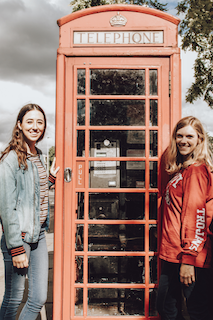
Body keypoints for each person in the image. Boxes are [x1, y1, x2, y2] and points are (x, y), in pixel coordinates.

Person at [0, 104, 59, 320]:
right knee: (14, 298)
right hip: (20, 237)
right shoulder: (11, 159)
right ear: (19, 124)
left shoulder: (37, 154)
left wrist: (50, 179)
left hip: (39, 235)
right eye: (30, 122)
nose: (35, 127)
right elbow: (6, 206)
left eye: (40, 122)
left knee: (38, 298)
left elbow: (33, 192)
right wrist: (16, 248)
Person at [157, 116, 213, 320]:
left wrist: (189, 260)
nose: (183, 140)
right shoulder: (183, 169)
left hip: (189, 256)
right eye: (179, 136)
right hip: (172, 253)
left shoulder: (197, 171)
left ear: (199, 139)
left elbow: (196, 216)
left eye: (189, 136)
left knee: (198, 310)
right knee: (166, 307)